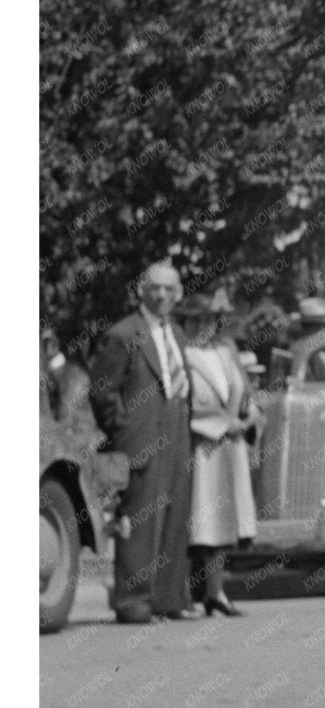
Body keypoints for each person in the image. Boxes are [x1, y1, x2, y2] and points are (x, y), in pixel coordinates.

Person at [89, 261, 197, 622]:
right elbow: (103, 391)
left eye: (170, 288)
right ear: (142, 290)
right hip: (140, 437)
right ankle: (133, 601)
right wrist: (122, 429)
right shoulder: (122, 334)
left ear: (178, 292)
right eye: (155, 288)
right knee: (139, 520)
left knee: (174, 515)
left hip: (177, 433)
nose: (163, 295)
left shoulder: (177, 334)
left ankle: (169, 599)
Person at [182, 296, 257, 617]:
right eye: (195, 321)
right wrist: (226, 423)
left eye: (207, 320)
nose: (202, 327)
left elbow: (244, 394)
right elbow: (188, 405)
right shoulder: (183, 356)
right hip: (202, 447)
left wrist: (250, 414)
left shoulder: (226, 353)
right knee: (200, 526)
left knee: (224, 525)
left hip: (231, 446)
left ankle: (216, 593)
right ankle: (185, 595)